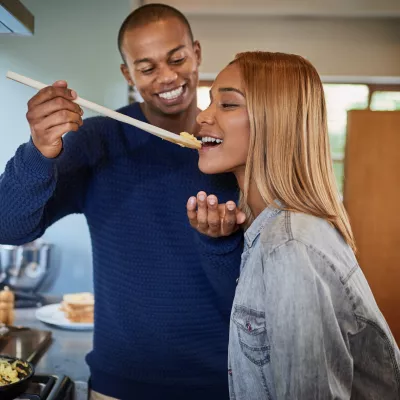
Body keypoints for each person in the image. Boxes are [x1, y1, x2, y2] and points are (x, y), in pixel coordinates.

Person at [0, 4, 246, 400]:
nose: (167, 77)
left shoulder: (232, 148)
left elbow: (255, 287)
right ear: (127, 74)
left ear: (196, 53)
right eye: (146, 68)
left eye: (177, 58)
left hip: (224, 383)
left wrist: (222, 242)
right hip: (119, 386)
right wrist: (38, 151)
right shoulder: (98, 141)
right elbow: (7, 226)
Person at [187, 51, 400, 399]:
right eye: (210, 100)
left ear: (276, 121)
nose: (203, 116)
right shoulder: (264, 232)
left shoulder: (290, 246)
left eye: (227, 104)